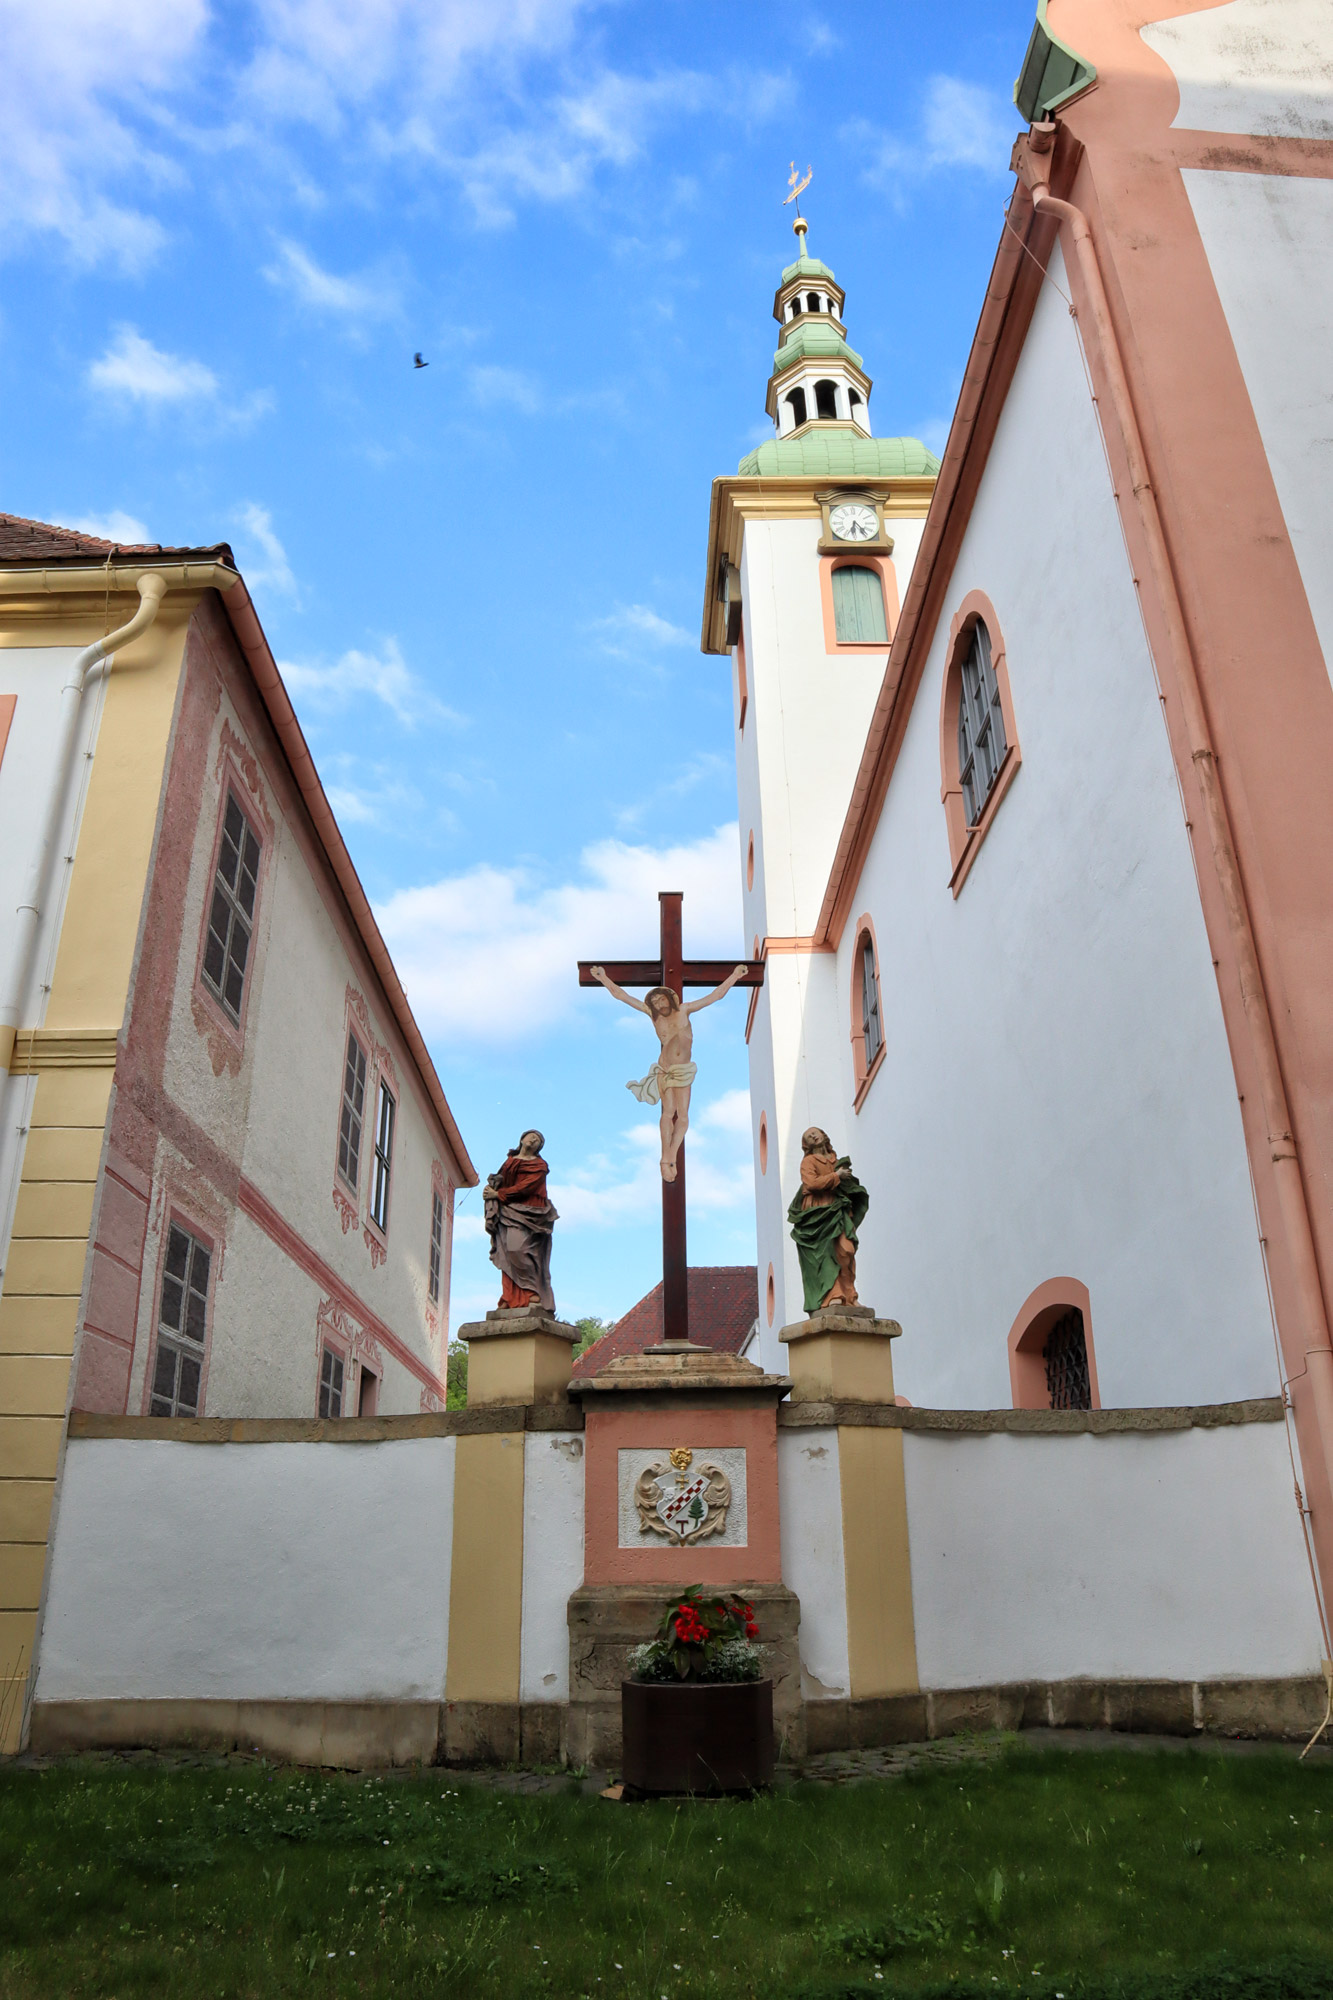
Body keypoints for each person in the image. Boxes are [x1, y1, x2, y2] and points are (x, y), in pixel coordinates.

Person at [588, 964, 749, 1181]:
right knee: (668, 1112)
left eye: (661, 999)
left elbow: (715, 996)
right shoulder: (652, 1016)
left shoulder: (684, 1009)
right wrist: (603, 978)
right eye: (654, 1002)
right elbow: (622, 996)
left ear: (669, 998)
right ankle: (666, 1157)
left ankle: (671, 1154)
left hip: (683, 1069)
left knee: (682, 1114)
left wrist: (735, 976)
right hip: (664, 1068)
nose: (658, 1004)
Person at [787, 1126, 870, 1314]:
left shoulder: (834, 1159)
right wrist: (836, 1176)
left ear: (824, 1135)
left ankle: (850, 1296)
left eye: (815, 1132)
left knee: (846, 1250)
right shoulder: (808, 1161)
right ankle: (833, 1296)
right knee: (825, 1252)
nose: (813, 1135)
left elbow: (840, 1185)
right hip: (818, 1210)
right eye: (808, 1136)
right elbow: (811, 1183)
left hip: (837, 1208)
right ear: (806, 1145)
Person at [484, 1129, 558, 1312]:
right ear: (522, 1138)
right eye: (531, 1136)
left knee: (519, 1249)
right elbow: (502, 1181)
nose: (533, 1140)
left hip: (530, 1213)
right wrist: (490, 1189)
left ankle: (533, 1290)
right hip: (507, 1211)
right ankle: (510, 1297)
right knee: (507, 1252)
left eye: (538, 1140)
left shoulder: (539, 1166)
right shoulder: (510, 1162)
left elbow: (525, 1188)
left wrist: (498, 1194)